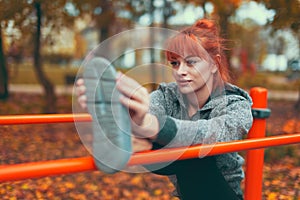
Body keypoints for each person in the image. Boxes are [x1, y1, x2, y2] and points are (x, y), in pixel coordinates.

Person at [76, 19, 253, 200]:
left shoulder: (235, 104)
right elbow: (149, 110)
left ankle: (134, 139)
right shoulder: (167, 95)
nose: (180, 71)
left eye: (190, 62)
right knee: (146, 125)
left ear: (214, 64)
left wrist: (151, 126)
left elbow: (213, 134)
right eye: (175, 63)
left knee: (197, 152)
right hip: (186, 193)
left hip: (222, 194)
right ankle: (125, 129)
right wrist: (128, 109)